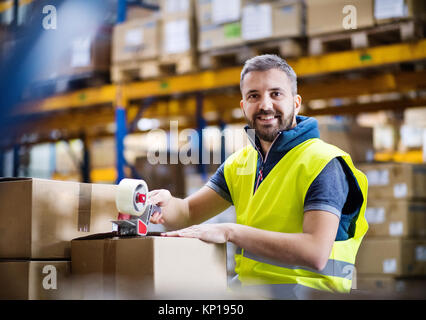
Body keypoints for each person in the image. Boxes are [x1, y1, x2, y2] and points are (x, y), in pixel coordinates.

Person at [147, 54, 368, 299]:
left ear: (296, 103)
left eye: (276, 94)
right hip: (253, 294)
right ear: (243, 106)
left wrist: (230, 231)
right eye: (254, 96)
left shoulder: (323, 163)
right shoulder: (240, 164)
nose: (265, 105)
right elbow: (188, 212)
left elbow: (315, 253)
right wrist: (166, 205)